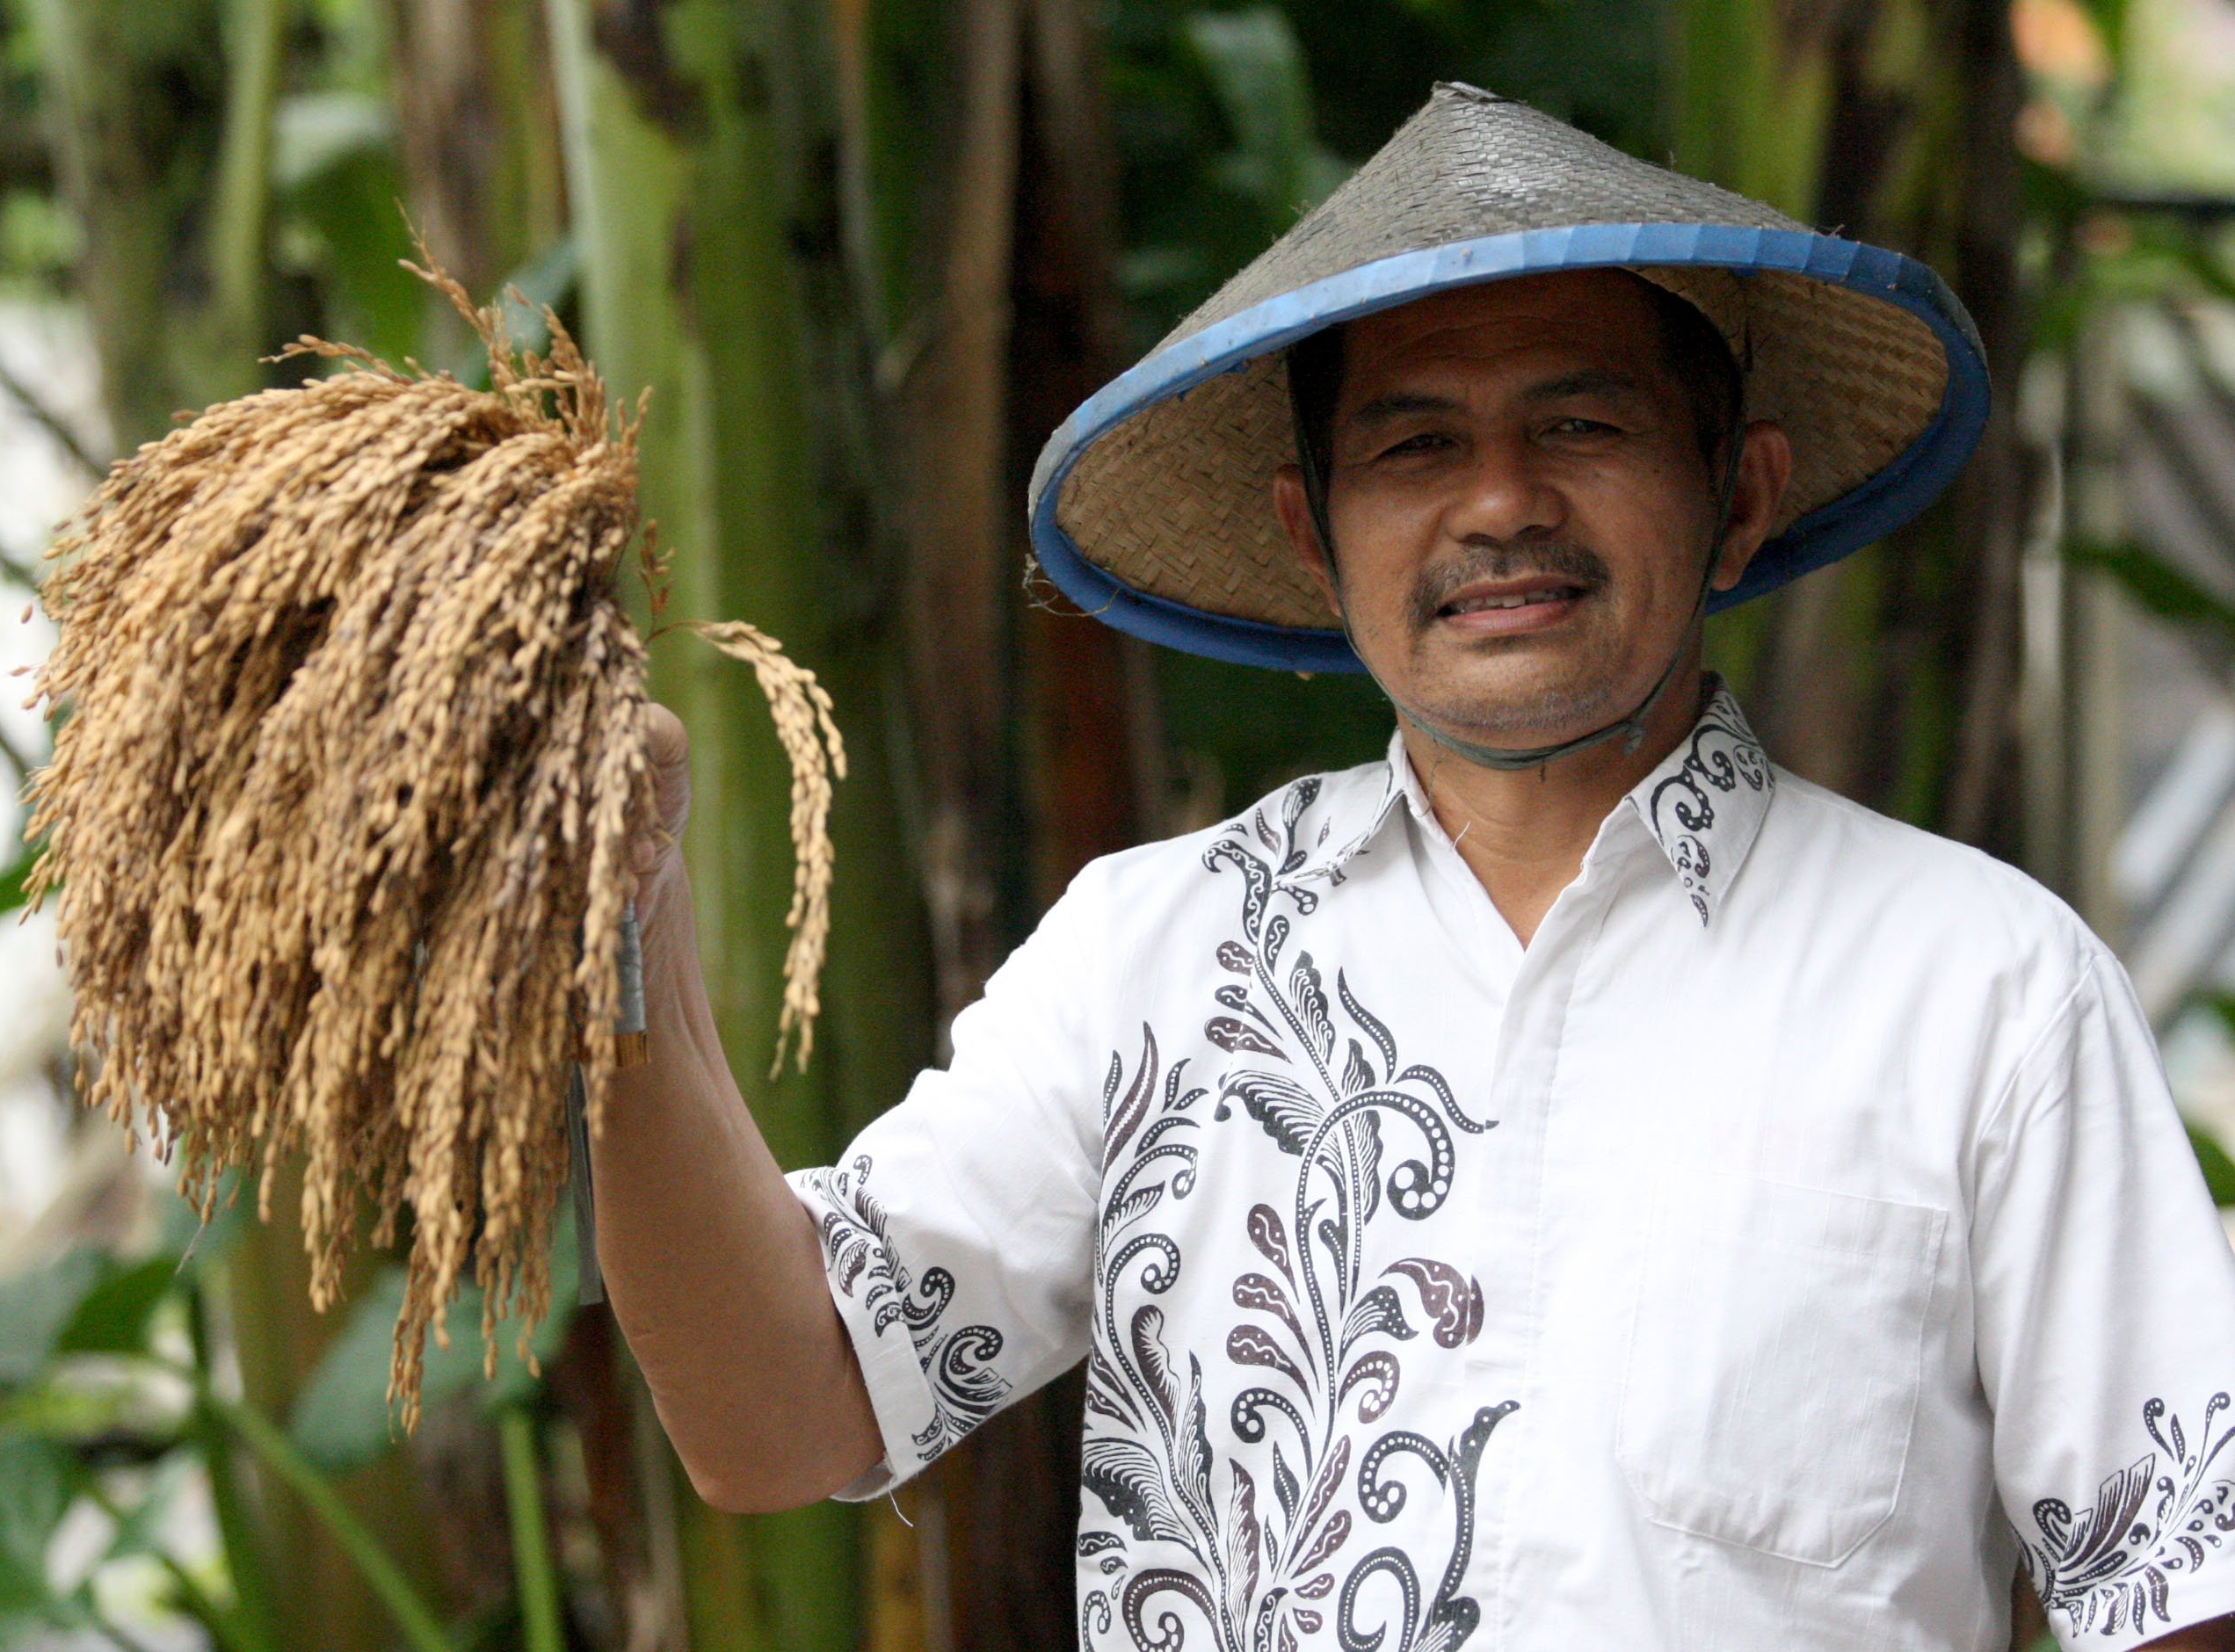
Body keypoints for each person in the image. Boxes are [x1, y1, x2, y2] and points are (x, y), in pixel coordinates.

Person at [590, 83, 2235, 1650]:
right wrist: (627, 929)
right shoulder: (1156, 959)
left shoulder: (1984, 992)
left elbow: (2180, 1590)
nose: (1503, 500)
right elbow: (780, 1412)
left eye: (1582, 423)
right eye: (1415, 447)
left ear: (1739, 499)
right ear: (1318, 540)